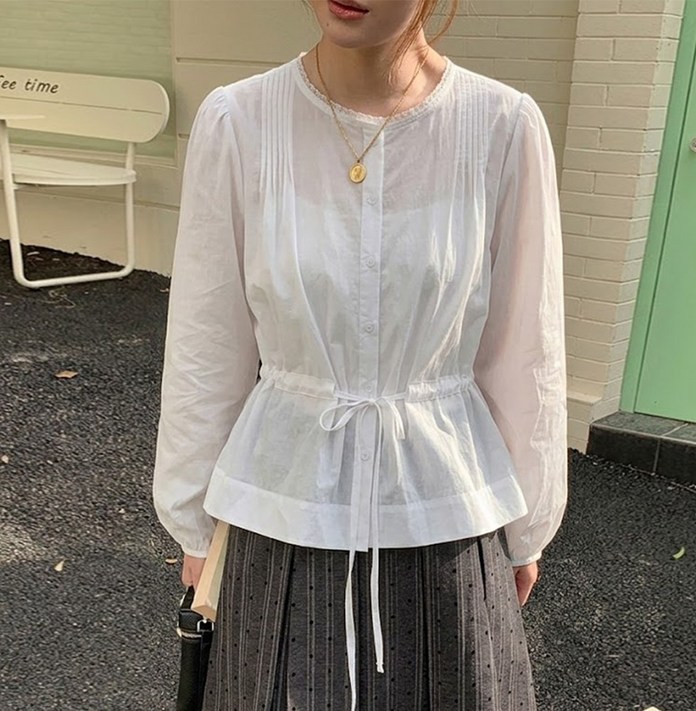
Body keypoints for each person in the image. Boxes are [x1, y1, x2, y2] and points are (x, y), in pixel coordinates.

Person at [153, 0, 568, 708]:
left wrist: (526, 528)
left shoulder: (501, 126)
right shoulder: (239, 121)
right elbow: (206, 339)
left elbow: (525, 348)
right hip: (279, 509)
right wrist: (193, 519)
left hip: (443, 512)